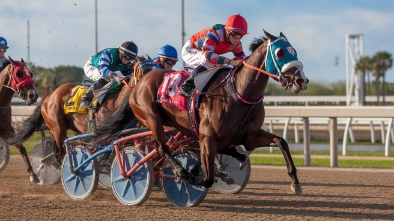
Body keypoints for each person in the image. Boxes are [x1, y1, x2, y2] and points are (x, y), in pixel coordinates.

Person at [178, 14, 248, 96]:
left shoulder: (237, 44)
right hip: (190, 50)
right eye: (236, 35)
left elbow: (242, 61)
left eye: (241, 36)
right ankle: (186, 86)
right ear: (228, 31)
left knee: (224, 65)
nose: (238, 39)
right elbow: (208, 56)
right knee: (211, 62)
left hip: (207, 53)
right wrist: (230, 61)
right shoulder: (215, 33)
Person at [80, 41, 138, 108]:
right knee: (105, 77)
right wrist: (116, 76)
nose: (129, 61)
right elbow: (103, 69)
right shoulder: (108, 54)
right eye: (128, 58)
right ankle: (85, 98)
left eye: (131, 59)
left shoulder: (126, 62)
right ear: (121, 52)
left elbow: (129, 75)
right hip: (92, 66)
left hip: (106, 70)